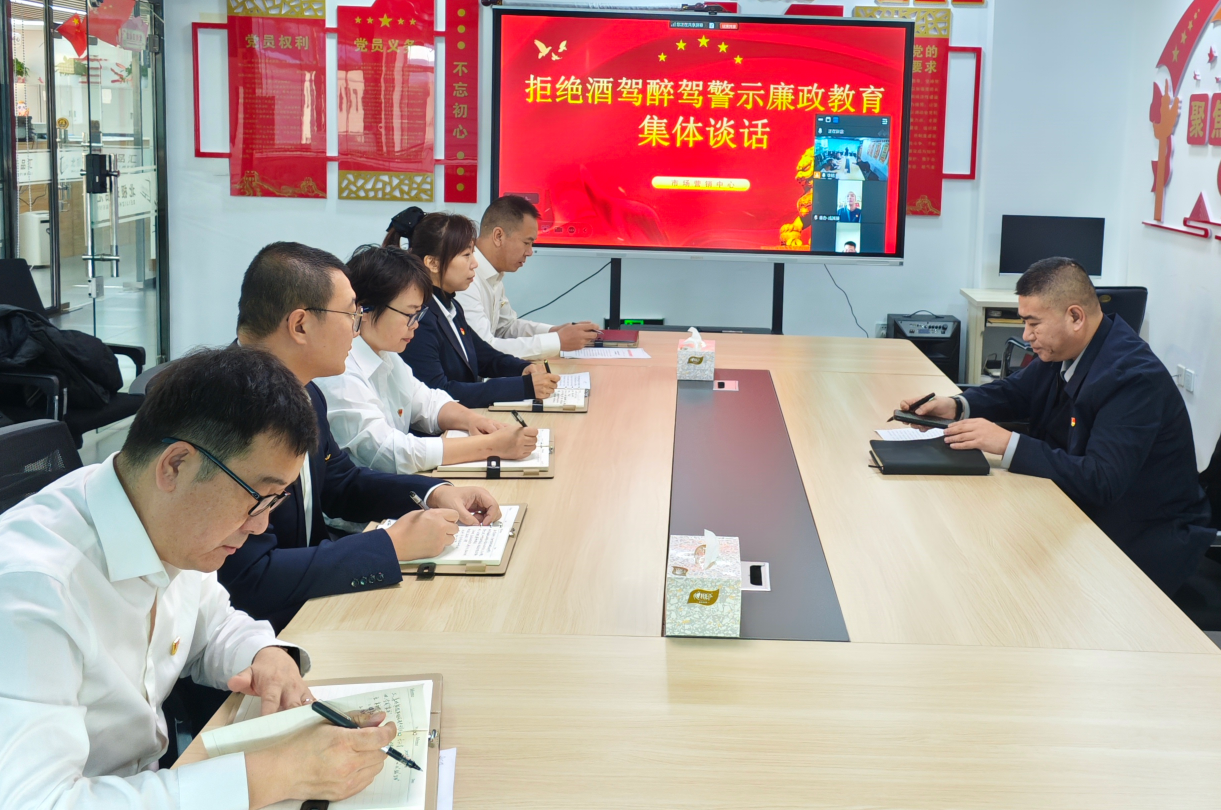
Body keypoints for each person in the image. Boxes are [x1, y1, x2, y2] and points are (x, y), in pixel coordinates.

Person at [0, 346, 400, 809]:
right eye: (258, 498)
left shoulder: (165, 521)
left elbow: (212, 624)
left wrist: (265, 654)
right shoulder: (33, 589)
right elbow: (37, 801)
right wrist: (279, 773)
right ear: (175, 465)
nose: (261, 526)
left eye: (276, 502)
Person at [227, 241, 502, 630]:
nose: (357, 327)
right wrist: (390, 545)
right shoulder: (230, 410)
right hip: (263, 627)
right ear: (300, 324)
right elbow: (251, 577)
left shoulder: (306, 390)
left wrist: (433, 492)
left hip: (313, 596)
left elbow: (341, 483)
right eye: (350, 314)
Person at [899, 257, 1212, 594]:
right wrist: (956, 405)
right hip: (1082, 514)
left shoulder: (1132, 378)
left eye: (1033, 323)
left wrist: (1007, 443)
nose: (1026, 335)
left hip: (1144, 541)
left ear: (1075, 317)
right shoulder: (1068, 348)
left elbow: (1102, 480)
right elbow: (1016, 391)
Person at [316, 244, 539, 474]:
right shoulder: (339, 371)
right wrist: (490, 446)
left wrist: (475, 421)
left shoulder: (386, 354)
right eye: (409, 314)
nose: (416, 324)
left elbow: (428, 402)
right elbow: (388, 453)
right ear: (364, 310)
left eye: (419, 314)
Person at [400, 212, 561, 408]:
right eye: (466, 255)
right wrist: (523, 387)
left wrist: (523, 368)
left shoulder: (450, 305)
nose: (474, 264)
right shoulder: (420, 318)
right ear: (433, 263)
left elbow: (484, 355)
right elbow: (438, 391)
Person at [455, 195, 599, 360]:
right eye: (526, 243)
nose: (530, 252)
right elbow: (484, 348)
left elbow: (506, 327)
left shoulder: (493, 274)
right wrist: (557, 341)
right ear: (498, 236)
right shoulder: (465, 277)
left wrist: (554, 332)